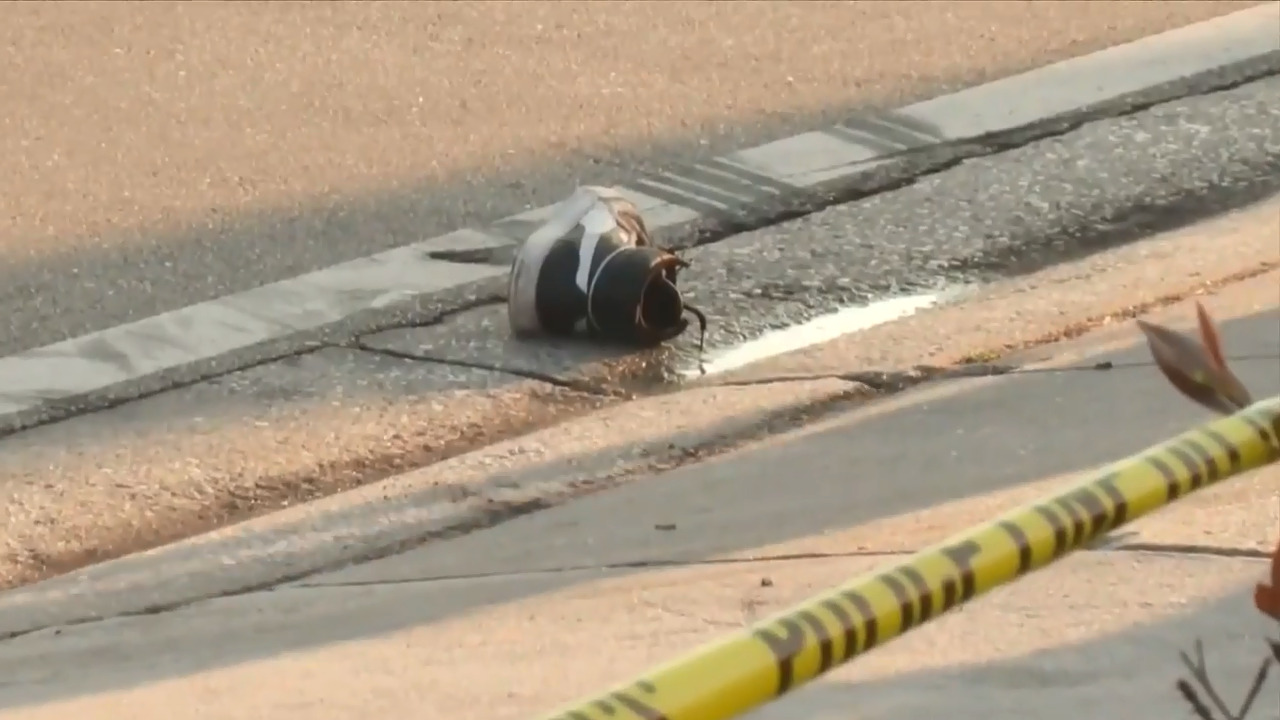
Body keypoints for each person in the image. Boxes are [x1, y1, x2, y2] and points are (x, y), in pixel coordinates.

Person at [506, 185, 706, 349]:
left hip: (556, 276)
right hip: (546, 302)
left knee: (603, 204)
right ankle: (594, 300)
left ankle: (599, 271)